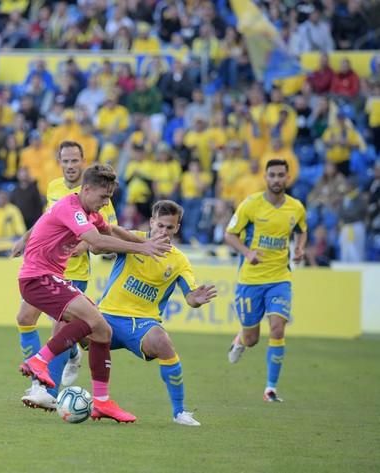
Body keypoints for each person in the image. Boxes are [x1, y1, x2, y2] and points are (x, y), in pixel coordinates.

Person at [16, 163, 171, 422]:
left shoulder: (90, 212)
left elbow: (110, 232)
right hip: (38, 277)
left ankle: (102, 402)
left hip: (49, 277)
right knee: (93, 321)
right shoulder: (70, 207)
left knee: (102, 331)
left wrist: (145, 241)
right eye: (103, 196)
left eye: (110, 197)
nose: (106, 202)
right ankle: (39, 361)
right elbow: (97, 242)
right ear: (86, 189)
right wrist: (142, 250)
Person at [11, 141, 118, 410]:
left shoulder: (98, 194)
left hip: (74, 271)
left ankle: (47, 389)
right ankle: (66, 357)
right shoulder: (54, 187)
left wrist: (79, 244)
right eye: (65, 161)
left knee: (60, 329)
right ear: (60, 163)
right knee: (25, 318)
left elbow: (106, 231)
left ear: (83, 162)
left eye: (74, 161)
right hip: (45, 268)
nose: (70, 166)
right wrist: (26, 238)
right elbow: (48, 218)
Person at [99, 200, 216, 426]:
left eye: (169, 228)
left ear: (177, 228)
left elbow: (190, 297)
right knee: (66, 323)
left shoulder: (179, 261)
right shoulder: (132, 238)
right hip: (107, 316)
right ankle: (48, 393)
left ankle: (179, 412)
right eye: (159, 226)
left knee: (163, 341)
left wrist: (196, 299)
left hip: (141, 324)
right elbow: (101, 243)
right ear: (151, 222)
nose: (163, 232)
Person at [225, 159, 307, 403]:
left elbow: (302, 229)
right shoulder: (250, 205)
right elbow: (229, 235)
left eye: (281, 175)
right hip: (251, 280)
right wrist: (247, 253)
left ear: (287, 177)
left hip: (280, 277)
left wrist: (300, 248)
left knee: (278, 328)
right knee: (252, 339)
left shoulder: (296, 208)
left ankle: (270, 388)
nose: (276, 179)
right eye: (272, 175)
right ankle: (240, 338)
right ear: (265, 177)